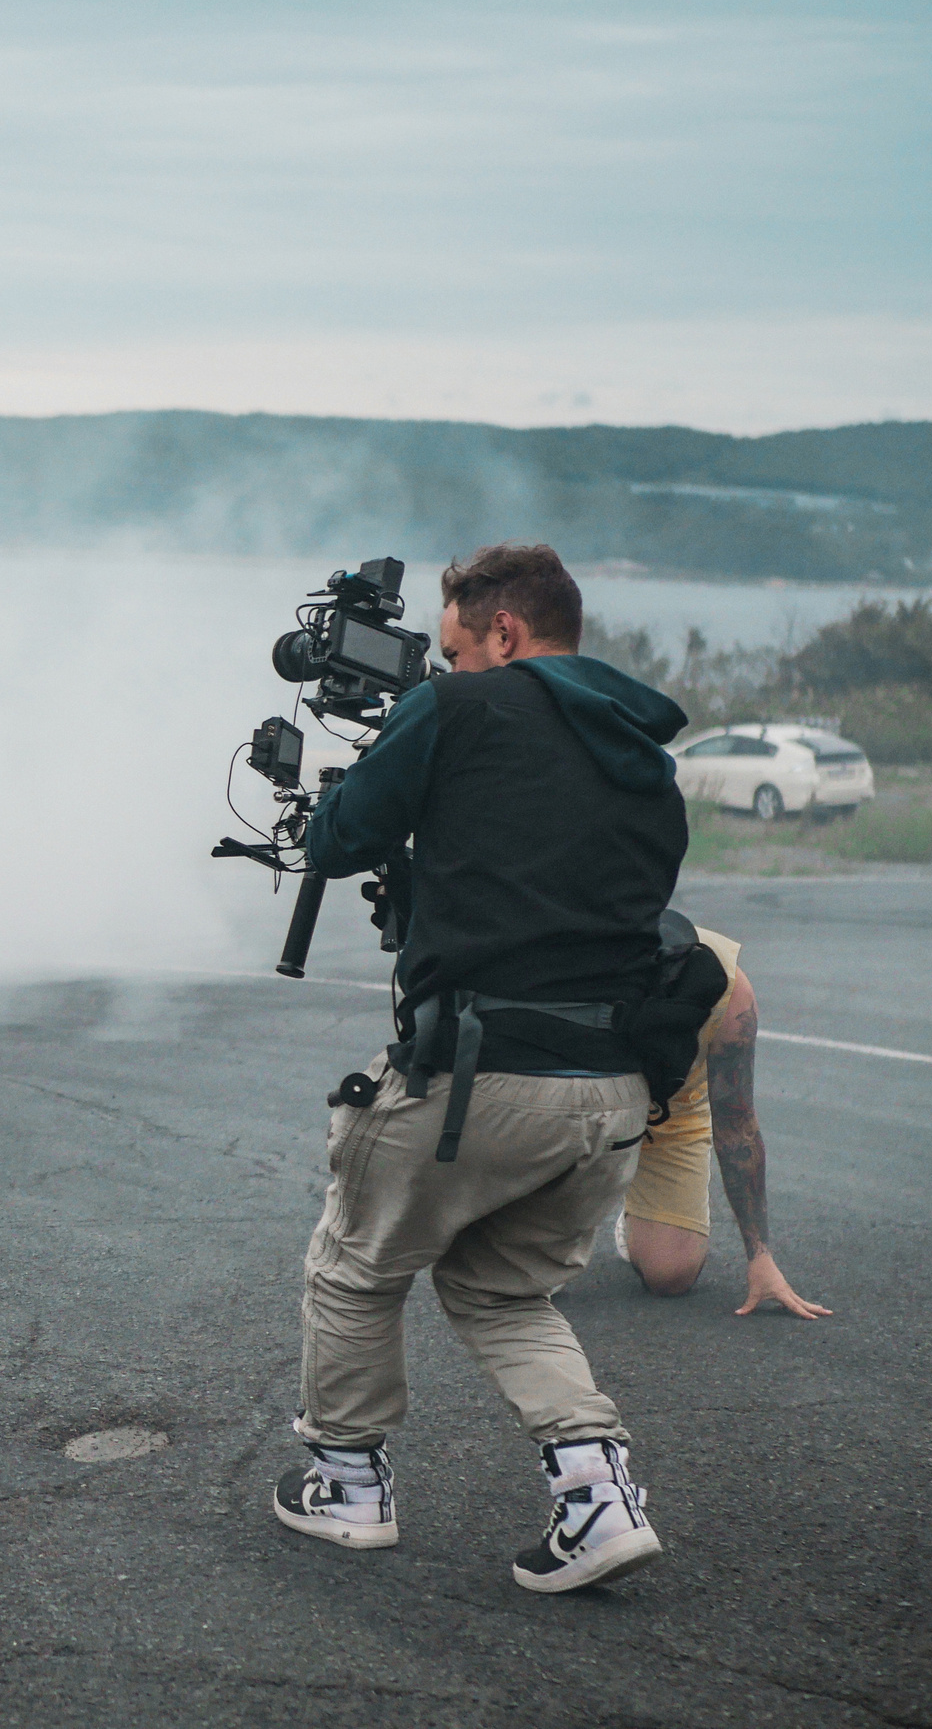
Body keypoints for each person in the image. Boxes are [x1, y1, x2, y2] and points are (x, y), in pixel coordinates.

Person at [272, 541, 702, 1595]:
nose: (449, 669)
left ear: (502, 634)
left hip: (477, 1075)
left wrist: (378, 764)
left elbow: (337, 837)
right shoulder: (643, 751)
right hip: (611, 1090)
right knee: (505, 1297)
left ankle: (348, 1485)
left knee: (355, 1266)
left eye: (456, 650)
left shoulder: (457, 711)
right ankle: (597, 1498)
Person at [616, 928, 831, 1318]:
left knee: (670, 1275)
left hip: (670, 1111)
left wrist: (760, 1258)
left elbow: (738, 1124)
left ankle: (636, 1216)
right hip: (576, 1105)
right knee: (530, 1279)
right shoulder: (570, 952)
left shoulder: (729, 990)